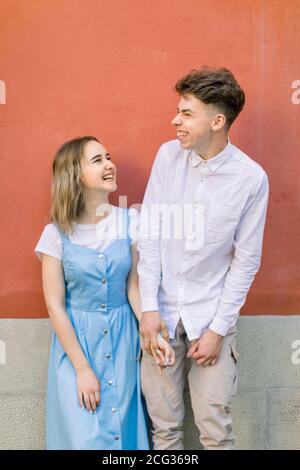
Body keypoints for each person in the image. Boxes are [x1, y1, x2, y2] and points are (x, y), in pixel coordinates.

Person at [138, 67, 269, 450]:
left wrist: (217, 329)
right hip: (160, 315)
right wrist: (148, 309)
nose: (175, 120)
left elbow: (246, 261)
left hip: (211, 314)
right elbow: (149, 234)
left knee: (216, 432)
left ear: (217, 120)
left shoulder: (251, 178)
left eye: (187, 113)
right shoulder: (167, 156)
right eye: (178, 111)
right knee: (164, 430)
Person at [34, 136, 174, 450]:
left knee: (120, 432)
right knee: (84, 434)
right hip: (77, 346)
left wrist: (153, 334)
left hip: (124, 341)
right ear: (74, 173)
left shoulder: (130, 221)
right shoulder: (55, 234)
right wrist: (82, 369)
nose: (110, 164)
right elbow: (54, 305)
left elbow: (133, 287)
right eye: (97, 160)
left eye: (108, 157)